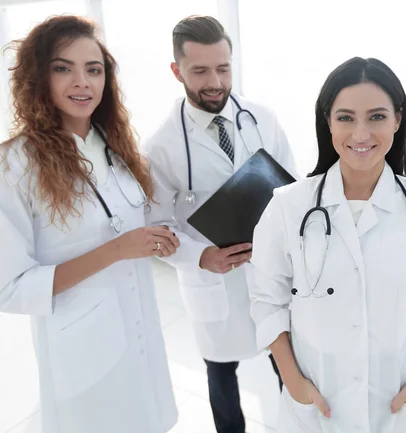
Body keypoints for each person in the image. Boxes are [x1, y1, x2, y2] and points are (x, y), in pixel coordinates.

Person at [248, 57, 406, 433]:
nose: (361, 134)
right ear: (328, 122)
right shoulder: (287, 206)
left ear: (398, 119)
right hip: (317, 403)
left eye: (376, 117)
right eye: (345, 118)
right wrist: (293, 381)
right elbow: (267, 299)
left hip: (398, 402)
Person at [0, 16, 180, 433]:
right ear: (38, 77)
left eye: (93, 70)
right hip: (81, 352)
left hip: (141, 336)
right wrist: (117, 249)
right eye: (63, 68)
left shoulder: (117, 149)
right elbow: (9, 289)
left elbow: (145, 221)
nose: (82, 82)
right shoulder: (15, 164)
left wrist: (172, 244)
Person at [143, 15, 296, 433]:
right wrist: (201, 257)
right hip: (212, 281)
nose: (215, 81)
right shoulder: (160, 145)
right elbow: (158, 226)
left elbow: (292, 188)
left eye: (223, 68)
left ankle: (298, 425)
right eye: (200, 71)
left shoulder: (261, 117)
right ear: (177, 71)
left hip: (271, 272)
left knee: (286, 359)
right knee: (221, 372)